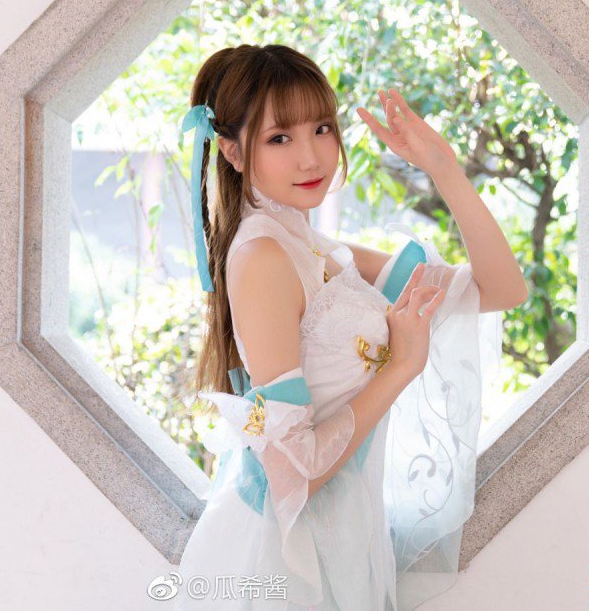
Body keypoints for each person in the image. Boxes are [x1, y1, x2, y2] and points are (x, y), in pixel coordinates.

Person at [173, 44, 526, 611]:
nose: (311, 158)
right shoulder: (263, 257)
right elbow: (293, 474)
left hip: (339, 537)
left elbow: (502, 289)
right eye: (279, 138)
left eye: (322, 129)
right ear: (232, 151)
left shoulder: (315, 248)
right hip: (283, 555)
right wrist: (401, 366)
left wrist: (443, 167)